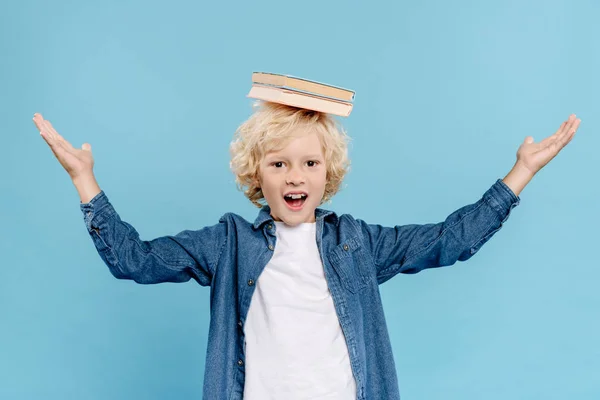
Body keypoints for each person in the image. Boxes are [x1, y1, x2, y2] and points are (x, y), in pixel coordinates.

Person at [33, 102, 580, 399]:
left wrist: (521, 172)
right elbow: (134, 261)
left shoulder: (357, 243)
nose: (295, 176)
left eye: (310, 163)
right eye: (279, 164)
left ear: (328, 174)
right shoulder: (228, 243)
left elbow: (450, 240)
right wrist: (86, 180)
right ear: (257, 175)